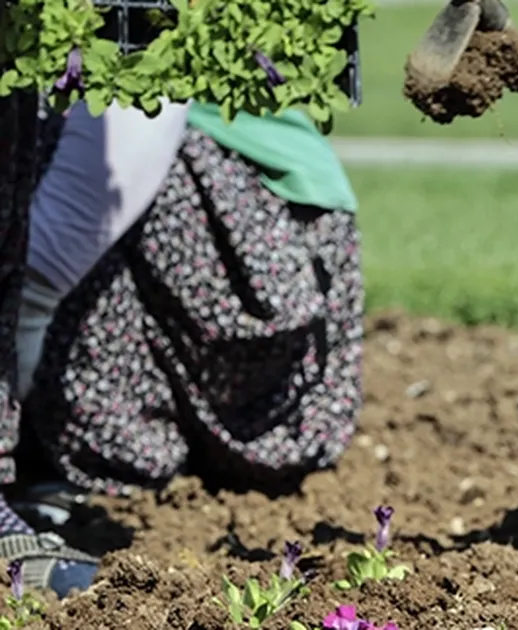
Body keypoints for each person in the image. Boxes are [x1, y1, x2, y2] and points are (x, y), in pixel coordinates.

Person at [0, 98, 364, 597]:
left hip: (256, 249)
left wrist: (20, 324)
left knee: (35, 151)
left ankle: (107, 454)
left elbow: (109, 166)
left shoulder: (124, 56)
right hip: (264, 310)